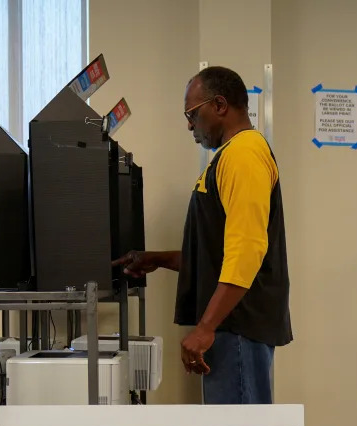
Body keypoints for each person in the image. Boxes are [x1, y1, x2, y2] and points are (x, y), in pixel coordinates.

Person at [112, 66, 291, 404]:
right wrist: (157, 259)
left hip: (237, 326)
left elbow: (248, 250)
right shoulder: (227, 158)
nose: (189, 125)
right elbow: (217, 253)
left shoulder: (244, 154)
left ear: (220, 104)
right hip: (231, 324)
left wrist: (206, 326)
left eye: (192, 114)